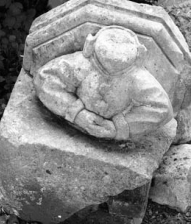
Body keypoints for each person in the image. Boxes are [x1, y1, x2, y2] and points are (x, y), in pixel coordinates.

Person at [34, 26, 173, 140]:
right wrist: (76, 112)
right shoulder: (83, 64)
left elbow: (162, 109)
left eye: (118, 70)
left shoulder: (137, 79)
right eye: (103, 68)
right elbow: (45, 79)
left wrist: (119, 127)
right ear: (90, 46)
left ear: (139, 56)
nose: (108, 73)